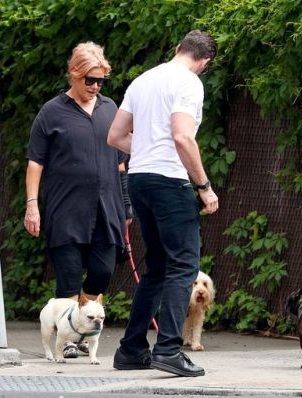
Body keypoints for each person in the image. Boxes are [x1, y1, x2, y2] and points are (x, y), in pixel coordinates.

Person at [107, 30, 218, 377]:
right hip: (170, 181)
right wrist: (204, 185)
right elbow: (182, 136)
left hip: (138, 179)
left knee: (156, 266)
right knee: (183, 266)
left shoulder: (142, 80)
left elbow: (115, 136)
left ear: (177, 49)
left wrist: (146, 150)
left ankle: (131, 349)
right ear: (204, 62)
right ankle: (169, 349)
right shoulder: (189, 82)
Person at [24, 42, 131, 358]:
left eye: (101, 81)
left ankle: (83, 320)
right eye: (90, 80)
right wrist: (32, 205)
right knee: (68, 275)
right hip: (66, 208)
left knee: (103, 271)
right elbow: (35, 162)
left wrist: (126, 205)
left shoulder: (110, 108)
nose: (96, 87)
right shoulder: (52, 112)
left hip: (106, 206)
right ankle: (69, 340)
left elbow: (121, 162)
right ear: (74, 74)